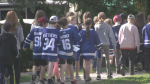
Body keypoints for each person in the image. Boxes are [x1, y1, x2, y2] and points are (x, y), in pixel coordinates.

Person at [23, 17, 49, 84]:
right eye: (46, 23)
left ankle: (34, 75)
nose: (47, 24)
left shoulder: (34, 30)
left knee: (35, 64)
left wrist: (25, 46)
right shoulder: (46, 30)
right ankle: (41, 80)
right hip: (43, 51)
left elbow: (28, 38)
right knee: (43, 65)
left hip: (36, 51)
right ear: (43, 23)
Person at [1, 11, 24, 84]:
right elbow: (21, 39)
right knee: (16, 67)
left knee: (5, 67)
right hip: (15, 49)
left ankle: (5, 78)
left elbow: (2, 36)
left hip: (4, 51)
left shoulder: (4, 27)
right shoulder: (19, 27)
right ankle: (17, 82)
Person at [58, 17, 81, 84]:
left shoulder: (59, 32)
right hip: (69, 52)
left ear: (61, 25)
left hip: (62, 52)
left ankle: (62, 81)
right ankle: (72, 80)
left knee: (62, 67)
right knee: (70, 66)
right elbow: (78, 38)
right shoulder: (71, 30)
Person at [77, 18, 101, 82]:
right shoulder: (94, 32)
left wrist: (77, 51)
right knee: (88, 64)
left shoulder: (81, 32)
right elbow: (98, 42)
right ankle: (87, 78)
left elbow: (78, 42)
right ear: (91, 24)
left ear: (84, 24)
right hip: (90, 50)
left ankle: (86, 76)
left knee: (85, 63)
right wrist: (99, 50)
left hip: (83, 50)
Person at [95, 12, 116, 79]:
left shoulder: (96, 26)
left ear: (98, 18)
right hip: (106, 43)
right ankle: (108, 74)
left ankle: (98, 75)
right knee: (107, 59)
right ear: (104, 18)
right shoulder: (108, 26)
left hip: (98, 44)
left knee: (99, 59)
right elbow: (112, 37)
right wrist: (114, 46)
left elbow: (95, 36)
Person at [41, 16, 60, 84]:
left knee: (47, 64)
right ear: (56, 22)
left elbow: (42, 40)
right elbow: (58, 42)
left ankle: (42, 79)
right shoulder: (57, 31)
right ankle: (49, 79)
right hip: (52, 50)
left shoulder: (45, 30)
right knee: (51, 64)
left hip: (45, 50)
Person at [30, 10, 46, 82]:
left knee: (35, 63)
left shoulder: (33, 24)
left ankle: (34, 74)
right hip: (42, 46)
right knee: (42, 63)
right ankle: (40, 76)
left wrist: (31, 45)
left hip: (35, 45)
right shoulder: (44, 25)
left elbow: (31, 36)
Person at [67, 16, 81, 81]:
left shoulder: (66, 27)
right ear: (71, 21)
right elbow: (78, 36)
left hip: (68, 45)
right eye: (75, 20)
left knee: (68, 60)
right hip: (75, 45)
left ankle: (68, 75)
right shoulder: (75, 27)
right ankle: (77, 74)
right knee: (77, 59)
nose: (76, 22)